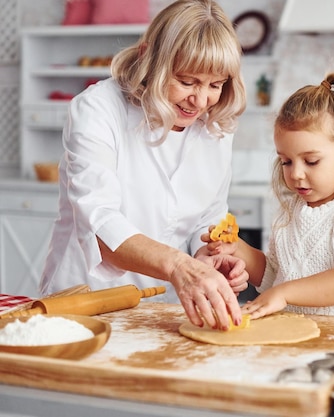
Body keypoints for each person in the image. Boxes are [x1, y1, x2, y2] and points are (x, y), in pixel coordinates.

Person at [40, 0, 248, 331]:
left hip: (167, 311)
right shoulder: (98, 110)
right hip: (87, 302)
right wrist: (181, 267)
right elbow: (102, 228)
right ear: (150, 57)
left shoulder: (216, 126)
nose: (201, 100)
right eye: (187, 81)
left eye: (215, 84)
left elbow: (206, 219)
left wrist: (207, 256)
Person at [204, 73, 334, 319]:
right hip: (296, 342)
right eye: (286, 161)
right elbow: (275, 276)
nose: (296, 174)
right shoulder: (292, 210)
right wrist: (237, 249)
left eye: (311, 161)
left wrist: (285, 293)